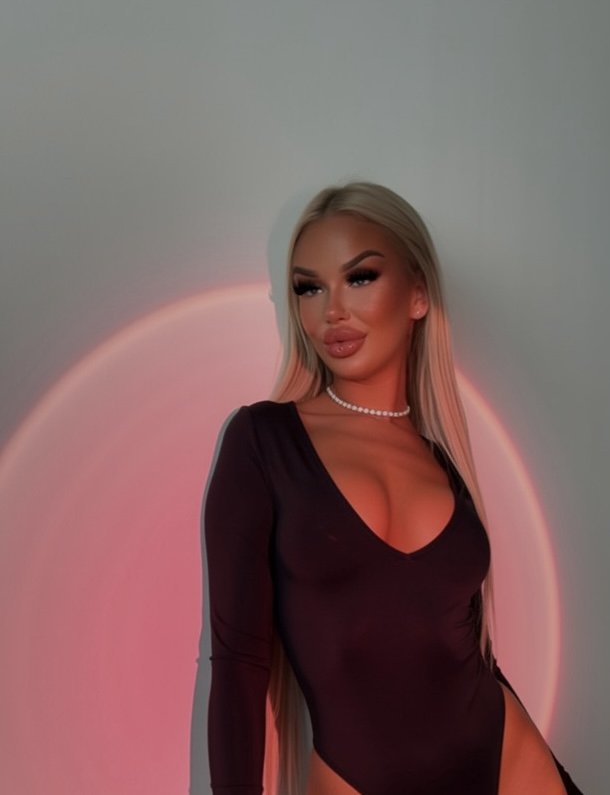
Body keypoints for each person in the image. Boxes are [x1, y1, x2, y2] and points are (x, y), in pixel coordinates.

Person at [203, 181, 583, 794]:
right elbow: (238, 663)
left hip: (507, 767)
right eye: (308, 287)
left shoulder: (444, 463)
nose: (332, 311)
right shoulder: (264, 441)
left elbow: (457, 649)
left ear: (418, 295)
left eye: (360, 278)